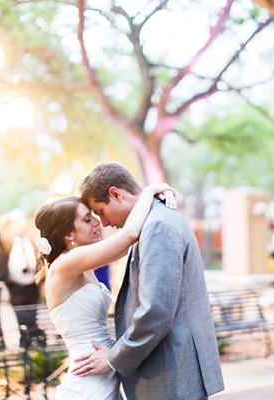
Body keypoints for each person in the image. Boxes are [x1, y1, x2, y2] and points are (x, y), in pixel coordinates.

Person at [75, 163, 224, 400]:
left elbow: (156, 312)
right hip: (170, 371)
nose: (103, 223)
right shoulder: (153, 220)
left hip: (169, 376)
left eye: (100, 211)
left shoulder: (157, 226)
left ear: (116, 194)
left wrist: (114, 358)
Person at [34, 183, 175, 400]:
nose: (97, 222)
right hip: (88, 378)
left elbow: (128, 245)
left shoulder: (81, 264)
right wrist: (148, 192)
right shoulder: (66, 264)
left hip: (102, 370)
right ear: (68, 233)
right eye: (87, 219)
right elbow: (129, 235)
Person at [0, 216, 43, 349]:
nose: (19, 229)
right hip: (15, 286)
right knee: (19, 316)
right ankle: (25, 339)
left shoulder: (33, 242)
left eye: (21, 226)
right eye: (16, 226)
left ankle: (35, 337)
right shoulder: (7, 242)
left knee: (32, 314)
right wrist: (1, 224)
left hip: (31, 285)